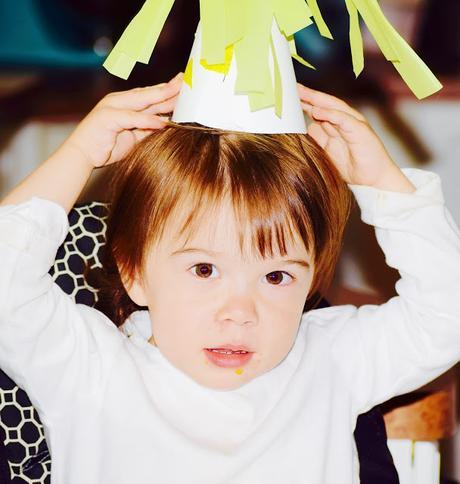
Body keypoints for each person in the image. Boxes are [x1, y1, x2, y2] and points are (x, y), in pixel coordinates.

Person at [0, 72, 459, 484]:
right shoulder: (89, 366)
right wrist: (79, 153)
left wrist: (383, 182)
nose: (240, 313)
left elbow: (447, 314)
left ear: (312, 280)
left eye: (276, 276)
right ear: (134, 271)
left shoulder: (332, 359)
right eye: (204, 269)